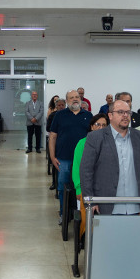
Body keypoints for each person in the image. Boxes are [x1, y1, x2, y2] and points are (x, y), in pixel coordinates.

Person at [79, 100, 140, 215]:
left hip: (135, 206)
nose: (125, 115)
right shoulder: (96, 137)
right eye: (120, 112)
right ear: (110, 115)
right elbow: (86, 171)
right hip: (106, 206)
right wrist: (91, 201)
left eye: (128, 112)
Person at [49, 90, 92, 220]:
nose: (75, 99)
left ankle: (82, 215)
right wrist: (52, 156)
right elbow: (52, 136)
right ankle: (64, 214)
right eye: (71, 97)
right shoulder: (59, 115)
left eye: (77, 97)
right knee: (63, 188)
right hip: (64, 159)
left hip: (84, 160)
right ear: (67, 101)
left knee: (83, 188)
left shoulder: (88, 115)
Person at [72, 113, 109, 204]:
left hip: (105, 190)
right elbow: (77, 167)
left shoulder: (110, 144)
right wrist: (79, 189)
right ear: (92, 127)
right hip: (86, 189)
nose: (101, 128)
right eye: (97, 125)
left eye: (104, 125)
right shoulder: (82, 143)